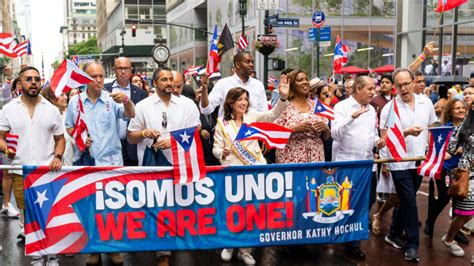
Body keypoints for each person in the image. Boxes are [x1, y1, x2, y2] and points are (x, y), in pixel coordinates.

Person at [127, 67, 200, 266]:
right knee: (159, 207)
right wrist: (144, 134)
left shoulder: (187, 104)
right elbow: (131, 137)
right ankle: (163, 253)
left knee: (179, 205)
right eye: (164, 80)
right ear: (155, 84)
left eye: (171, 79)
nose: (168, 83)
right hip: (153, 166)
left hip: (181, 164)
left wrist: (174, 142)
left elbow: (196, 130)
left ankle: (177, 242)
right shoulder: (142, 106)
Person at [213, 78, 289, 265]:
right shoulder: (222, 123)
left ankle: (245, 250)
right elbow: (215, 147)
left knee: (251, 211)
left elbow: (272, 115)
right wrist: (220, 152)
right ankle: (230, 244)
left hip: (254, 170)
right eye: (240, 99)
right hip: (232, 172)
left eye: (246, 99)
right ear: (231, 102)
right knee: (232, 210)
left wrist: (284, 98)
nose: (244, 102)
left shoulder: (252, 116)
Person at [65, 62, 134, 265]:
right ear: (85, 78)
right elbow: (69, 127)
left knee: (112, 208)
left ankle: (113, 248)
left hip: (111, 162)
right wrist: (79, 137)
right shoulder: (74, 102)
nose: (98, 80)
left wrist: (127, 101)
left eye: (101, 76)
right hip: (86, 162)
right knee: (90, 208)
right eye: (93, 76)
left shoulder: (112, 99)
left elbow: (131, 114)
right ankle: (94, 248)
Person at [0, 66, 65, 266]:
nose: (34, 82)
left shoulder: (51, 109)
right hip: (20, 171)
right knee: (28, 217)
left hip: (47, 172)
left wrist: (58, 155)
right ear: (20, 84)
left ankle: (52, 256)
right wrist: (6, 149)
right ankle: (37, 256)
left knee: (49, 215)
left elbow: (60, 139)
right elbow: (0, 137)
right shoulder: (8, 109)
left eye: (37, 79)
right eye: (28, 79)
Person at [380, 68, 437, 262]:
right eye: (399, 85)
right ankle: (413, 245)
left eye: (406, 83)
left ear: (414, 82)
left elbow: (432, 128)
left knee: (407, 199)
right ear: (395, 87)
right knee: (411, 203)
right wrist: (405, 132)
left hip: (419, 160)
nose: (403, 88)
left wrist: (434, 151)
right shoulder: (389, 108)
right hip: (399, 163)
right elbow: (384, 139)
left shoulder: (426, 103)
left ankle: (393, 232)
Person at [331, 75, 385, 260]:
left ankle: (350, 234)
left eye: (374, 88)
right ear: (358, 88)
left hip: (367, 164)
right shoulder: (341, 107)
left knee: (368, 201)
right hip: (347, 163)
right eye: (369, 88)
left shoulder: (371, 109)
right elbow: (335, 134)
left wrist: (379, 141)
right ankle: (350, 242)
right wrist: (351, 119)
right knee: (347, 203)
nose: (373, 92)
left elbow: (371, 133)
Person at [424, 99, 466, 238]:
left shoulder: (468, 127)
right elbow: (440, 151)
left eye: (462, 108)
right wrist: (456, 150)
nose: (461, 110)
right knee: (444, 198)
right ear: (450, 112)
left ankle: (455, 230)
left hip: (463, 170)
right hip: (445, 169)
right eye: (457, 108)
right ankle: (430, 221)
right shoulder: (445, 129)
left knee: (458, 200)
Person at [274, 70, 330, 164]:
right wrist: (293, 129)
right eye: (300, 80)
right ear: (292, 85)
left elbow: (326, 137)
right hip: (291, 159)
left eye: (306, 79)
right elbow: (274, 135)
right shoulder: (283, 106)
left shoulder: (317, 106)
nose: (305, 82)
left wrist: (326, 129)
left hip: (316, 157)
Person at [442, 102, 474, 258]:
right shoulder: (463, 127)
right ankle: (448, 239)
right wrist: (433, 159)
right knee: (465, 214)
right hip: (469, 176)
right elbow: (449, 150)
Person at [104, 57, 147, 166]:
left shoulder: (140, 93)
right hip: (109, 147)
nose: (123, 72)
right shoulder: (104, 90)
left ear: (131, 69)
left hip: (132, 147)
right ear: (114, 69)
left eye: (126, 68)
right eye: (120, 68)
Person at [200, 51, 268, 117]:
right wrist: (204, 90)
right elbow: (206, 110)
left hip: (251, 127)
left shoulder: (258, 85)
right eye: (247, 62)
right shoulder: (223, 84)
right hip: (227, 127)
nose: (251, 65)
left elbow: (263, 112)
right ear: (237, 64)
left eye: (252, 62)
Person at [41, 86, 75, 166]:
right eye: (62, 95)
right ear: (52, 98)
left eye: (65, 94)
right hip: (52, 166)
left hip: (69, 164)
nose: (66, 97)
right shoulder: (45, 119)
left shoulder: (68, 116)